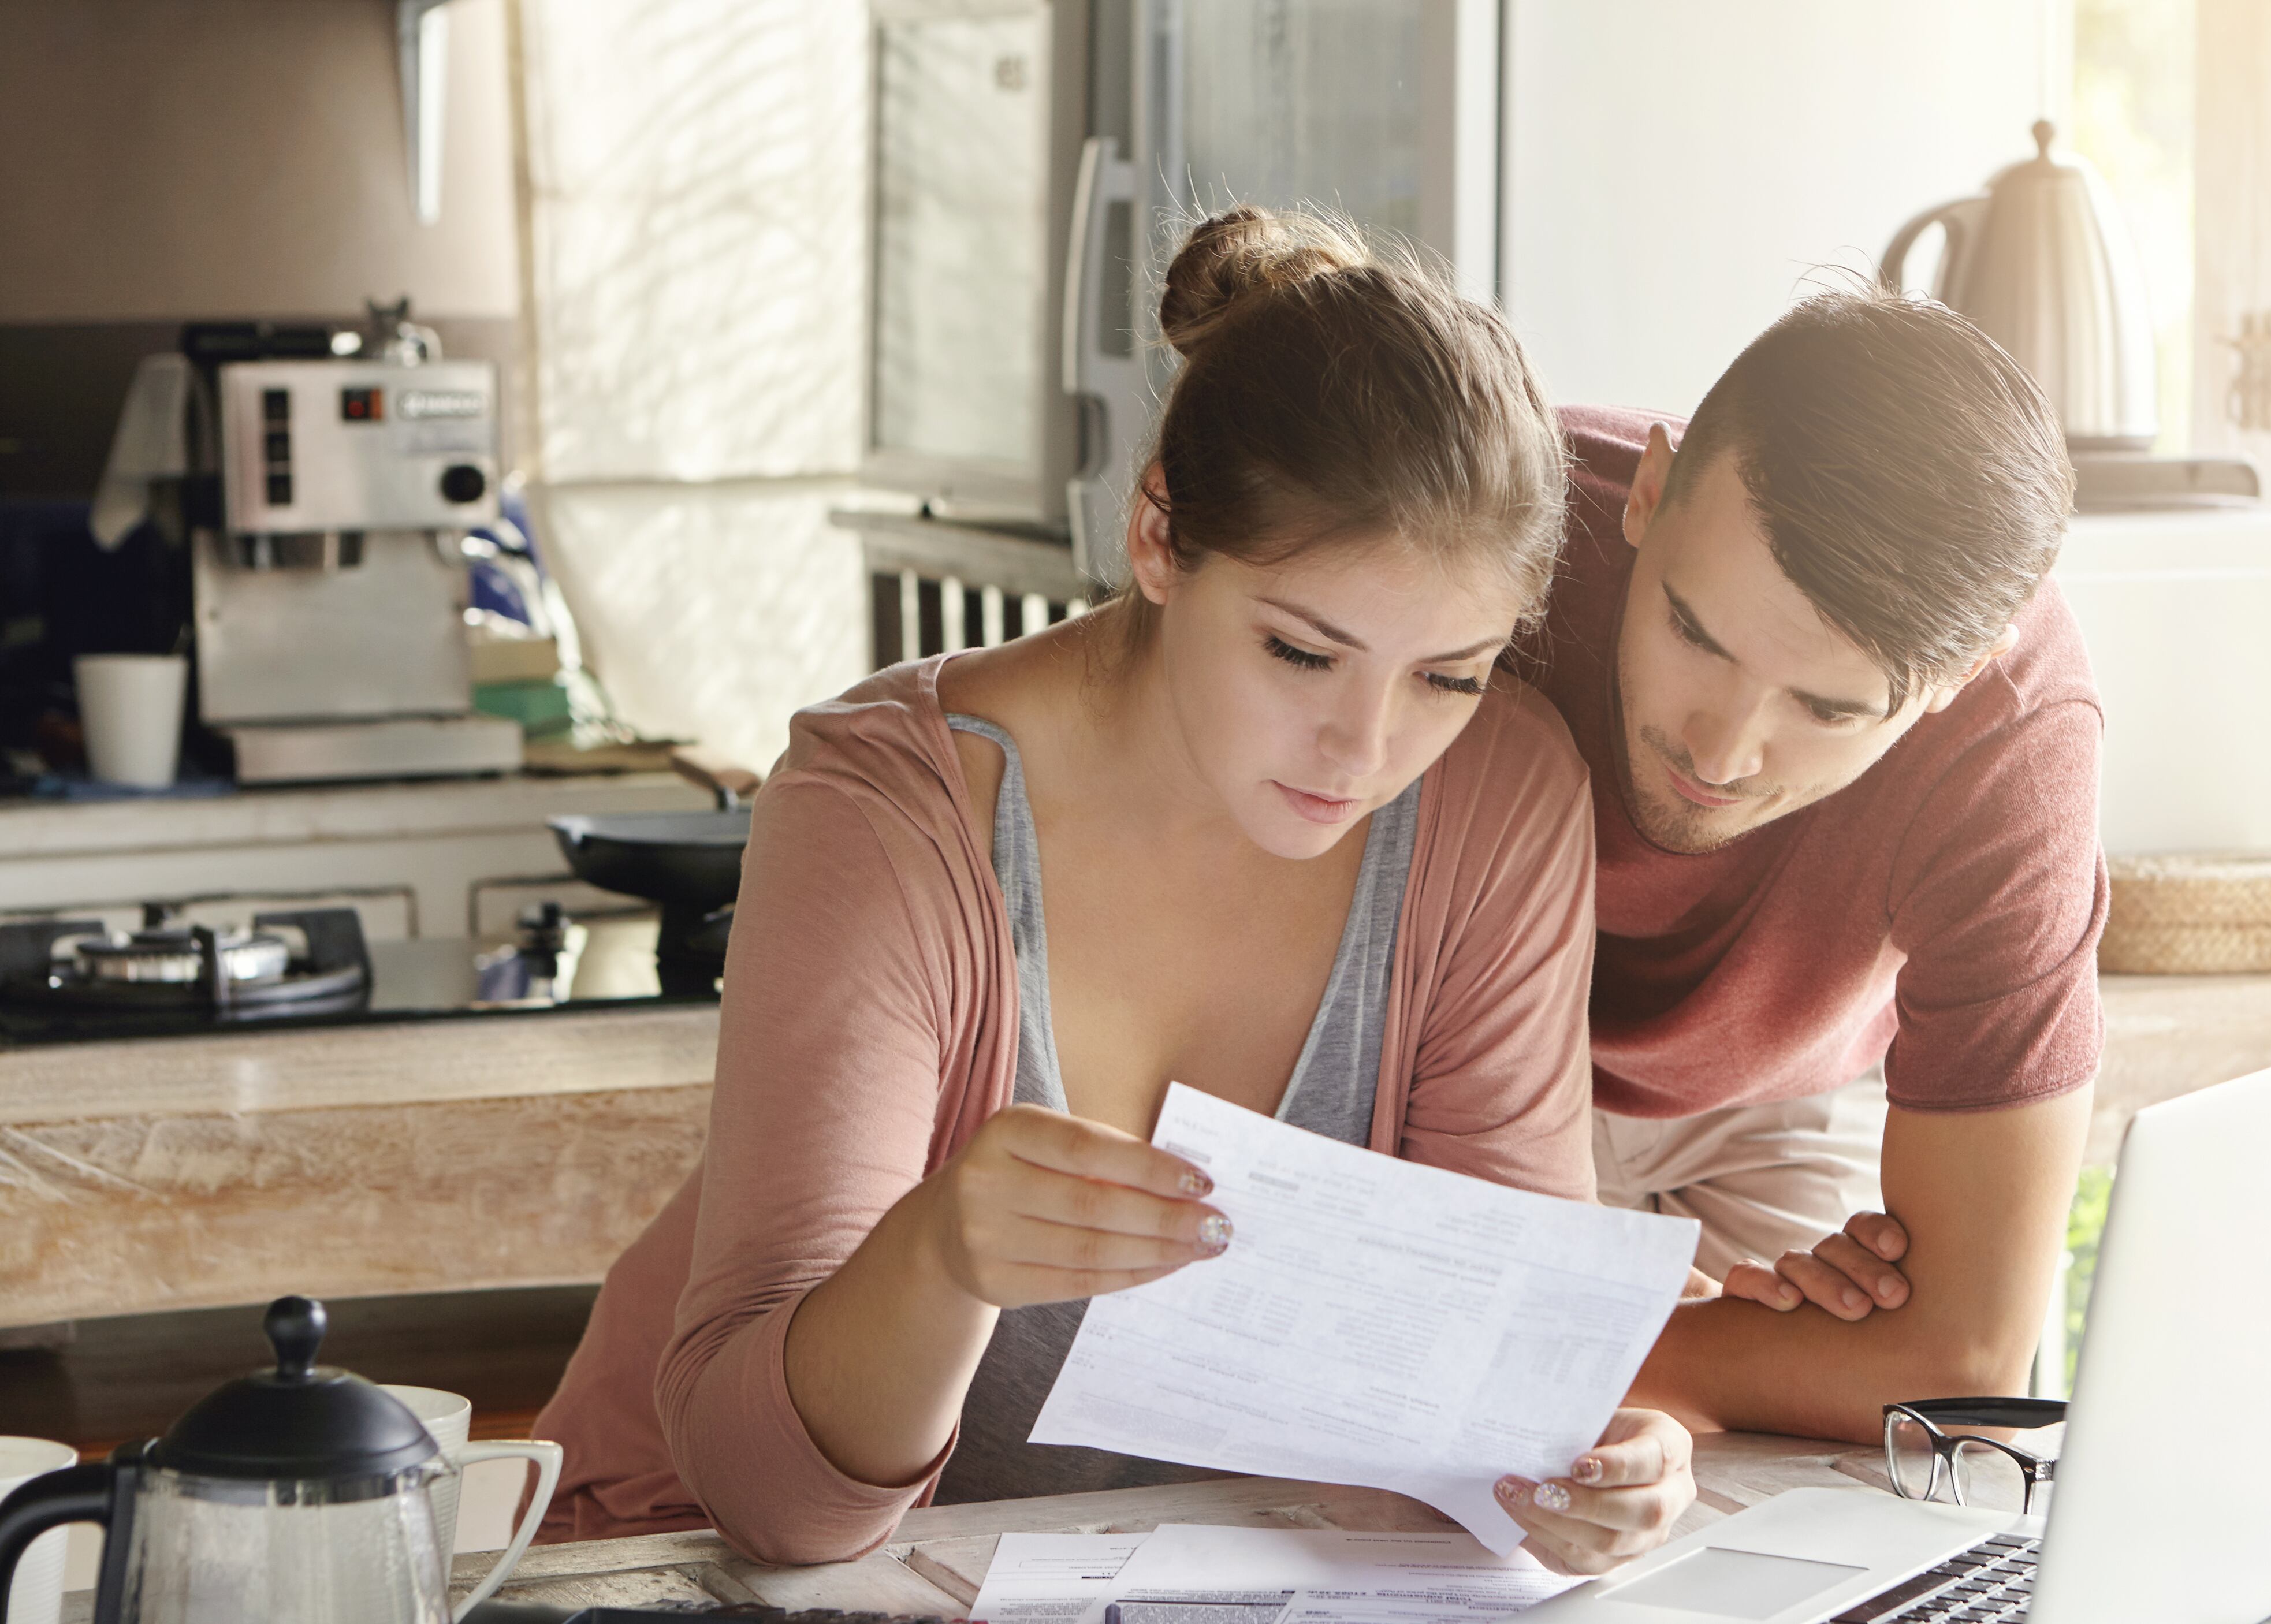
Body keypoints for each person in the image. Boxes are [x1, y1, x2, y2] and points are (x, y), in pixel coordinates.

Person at [534, 208, 1696, 1573]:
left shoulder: (1500, 796)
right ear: (1157, 536)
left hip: (1160, 1578)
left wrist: (1582, 1466)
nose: (1366, 748)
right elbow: (774, 1509)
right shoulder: (885, 808)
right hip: (692, 1566)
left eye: (1446, 673)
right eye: (1301, 652)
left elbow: (1467, 1402)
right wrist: (939, 1258)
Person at [1513, 292, 2106, 1443]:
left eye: (1826, 706)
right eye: (1693, 631)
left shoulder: (2014, 737)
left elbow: (1962, 1366)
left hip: (1776, 1099)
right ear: (1646, 491)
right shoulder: (1495, 515)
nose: (1717, 750)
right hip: (1459, 1070)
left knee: (1841, 1504)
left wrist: (1562, 1337)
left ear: (1955, 679)